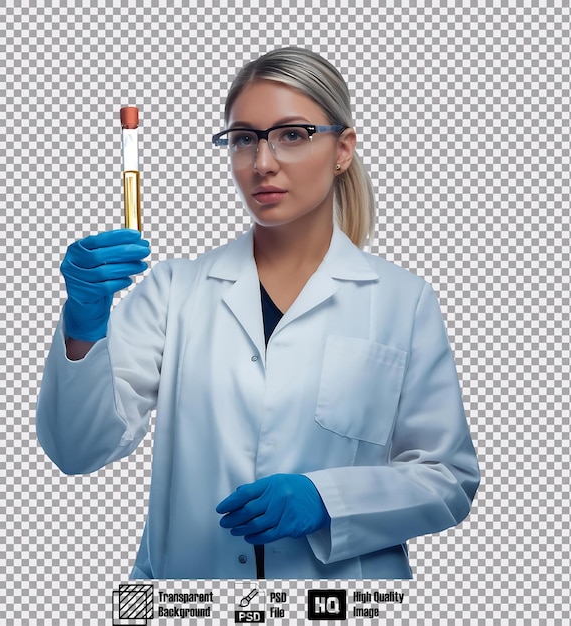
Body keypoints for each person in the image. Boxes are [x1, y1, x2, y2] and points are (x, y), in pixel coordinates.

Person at [36, 46, 480, 580]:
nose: (262, 162)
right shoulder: (174, 290)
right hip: (189, 600)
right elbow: (77, 450)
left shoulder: (400, 299)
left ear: (343, 149)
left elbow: (448, 479)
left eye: (292, 135)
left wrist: (327, 498)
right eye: (244, 138)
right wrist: (85, 324)